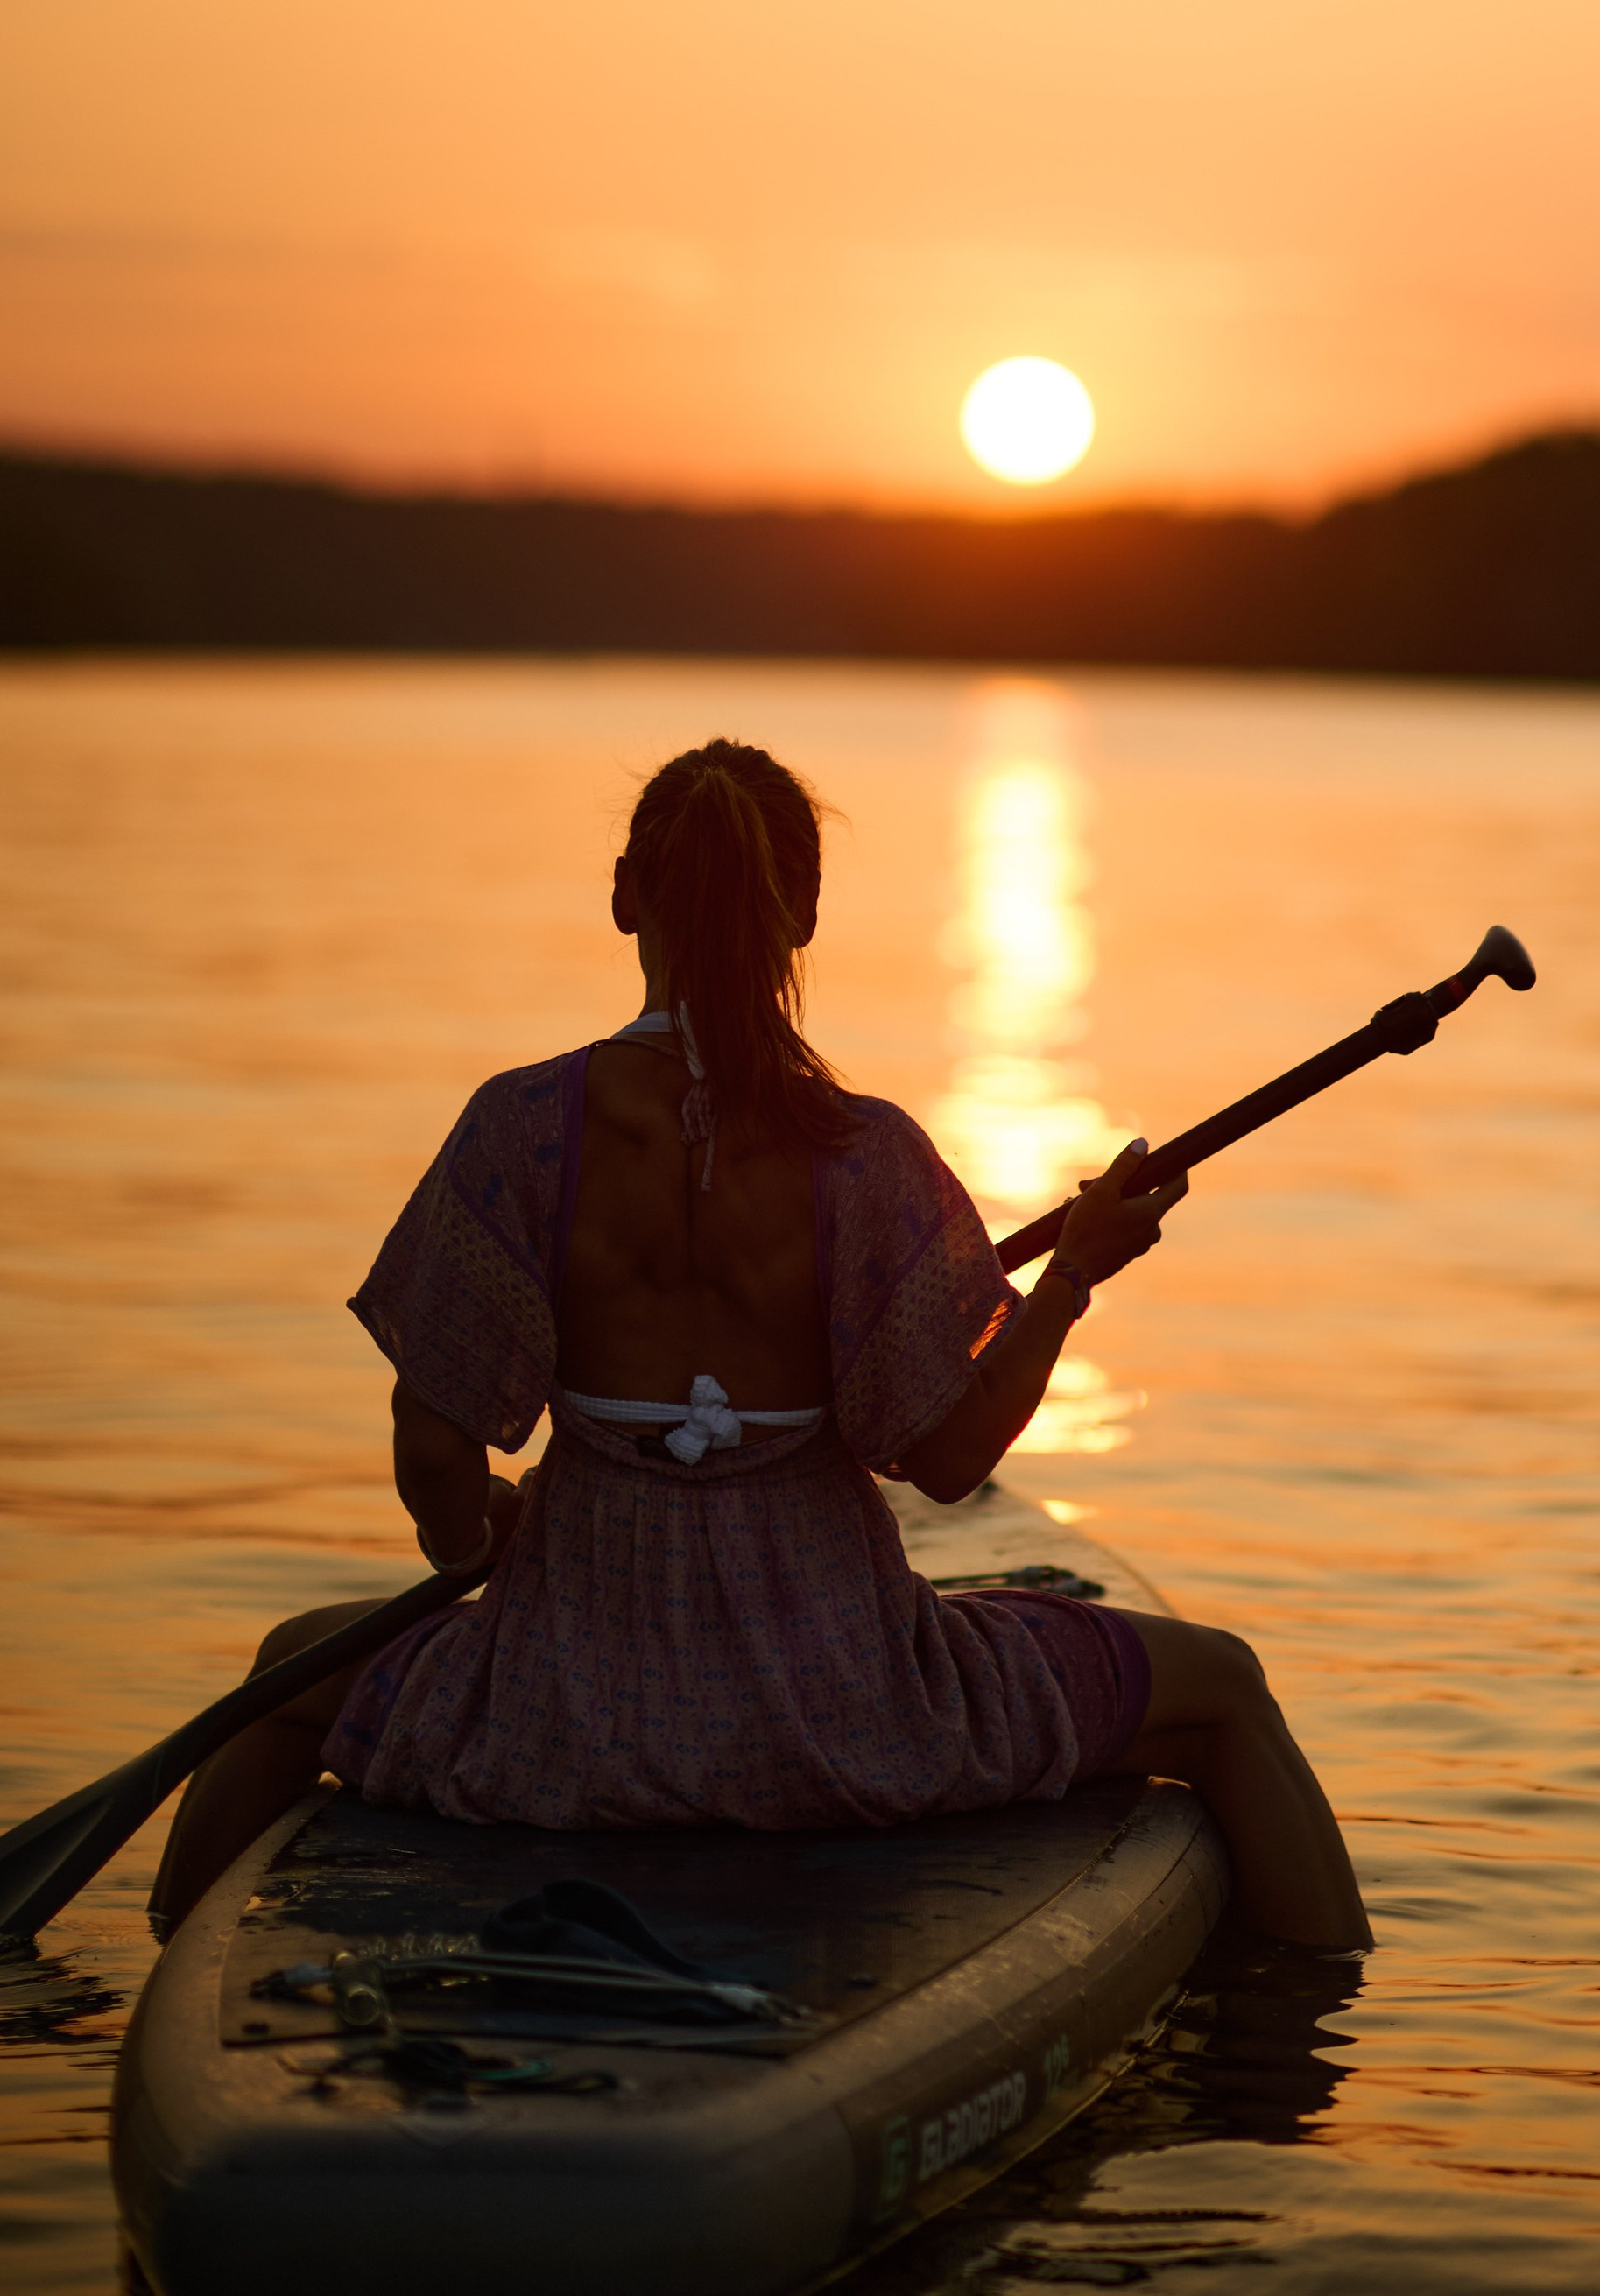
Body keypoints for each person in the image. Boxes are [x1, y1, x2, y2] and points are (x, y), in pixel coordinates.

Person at [151, 738, 1369, 1952]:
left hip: (559, 1723)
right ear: (805, 914)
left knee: (278, 1680)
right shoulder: (867, 1154)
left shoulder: (520, 1130)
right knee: (1224, 1691)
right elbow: (947, 1460)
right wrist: (1068, 1280)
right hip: (845, 1725)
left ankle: (162, 2004)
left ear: (626, 893)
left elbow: (434, 1445)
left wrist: (474, 1541)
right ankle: (1308, 2047)